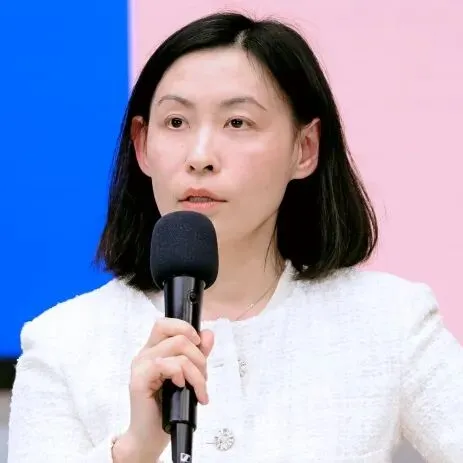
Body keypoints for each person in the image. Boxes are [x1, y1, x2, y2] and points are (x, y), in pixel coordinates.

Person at [7, 11, 463, 463]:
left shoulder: (389, 320)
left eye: (237, 123)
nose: (200, 156)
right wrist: (133, 451)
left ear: (304, 149)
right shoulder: (64, 342)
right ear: (142, 145)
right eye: (176, 122)